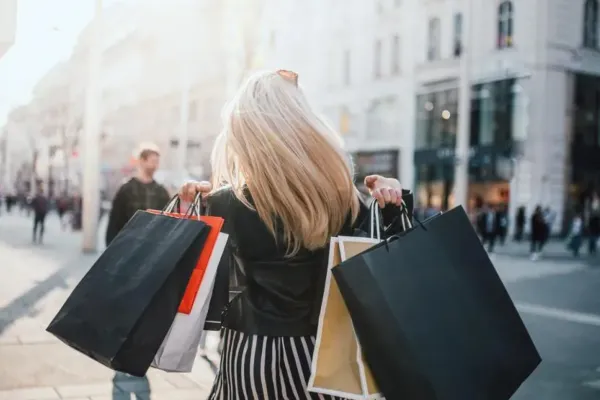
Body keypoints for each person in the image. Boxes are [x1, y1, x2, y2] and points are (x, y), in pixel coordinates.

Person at [178, 70, 409, 400]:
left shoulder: (226, 202)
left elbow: (194, 278)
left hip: (250, 353)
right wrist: (391, 205)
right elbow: (386, 263)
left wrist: (191, 210)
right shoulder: (340, 198)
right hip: (321, 356)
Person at [105, 144, 171, 246]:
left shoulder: (161, 192)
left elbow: (168, 222)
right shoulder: (126, 189)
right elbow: (115, 221)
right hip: (128, 245)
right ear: (142, 161)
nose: (155, 166)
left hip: (152, 246)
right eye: (153, 161)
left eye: (157, 162)